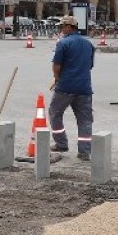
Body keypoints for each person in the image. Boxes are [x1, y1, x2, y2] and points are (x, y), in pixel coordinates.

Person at [49, 16, 95, 161]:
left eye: (63, 26)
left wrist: (56, 78)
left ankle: (61, 143)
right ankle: (84, 152)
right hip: (84, 88)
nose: (61, 30)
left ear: (69, 27)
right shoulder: (89, 44)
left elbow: (57, 65)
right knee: (85, 120)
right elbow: (90, 65)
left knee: (55, 113)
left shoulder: (63, 43)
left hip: (65, 86)